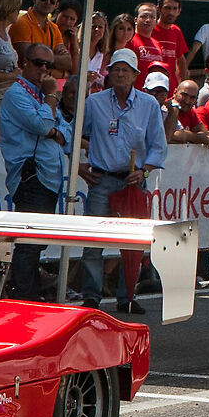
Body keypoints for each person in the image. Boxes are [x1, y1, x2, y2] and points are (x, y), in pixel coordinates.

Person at [74, 46, 166, 313]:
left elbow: (158, 145)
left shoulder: (149, 105)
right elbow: (75, 133)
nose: (121, 74)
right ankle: (91, 296)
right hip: (101, 180)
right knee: (94, 240)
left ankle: (126, 297)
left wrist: (145, 170)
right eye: (117, 70)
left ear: (135, 74)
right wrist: (79, 166)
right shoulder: (95, 102)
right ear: (109, 73)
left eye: (126, 70)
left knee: (133, 243)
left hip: (133, 182)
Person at [0, 40, 71, 301]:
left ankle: (29, 292)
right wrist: (51, 98)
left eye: (49, 65)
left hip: (49, 179)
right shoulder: (17, 94)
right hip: (31, 177)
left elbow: (67, 133)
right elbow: (42, 125)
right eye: (39, 63)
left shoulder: (41, 96)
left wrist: (55, 129)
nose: (44, 69)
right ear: (24, 63)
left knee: (38, 241)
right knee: (29, 242)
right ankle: (22, 296)